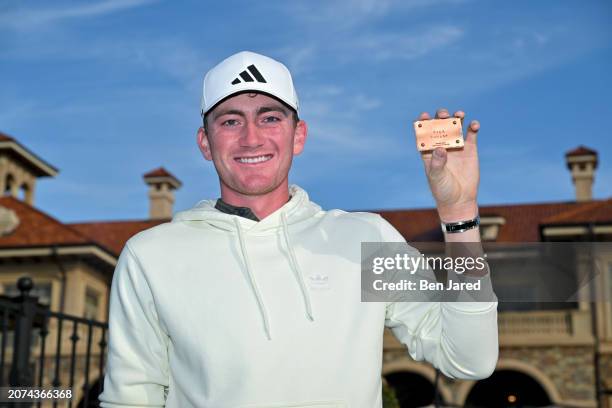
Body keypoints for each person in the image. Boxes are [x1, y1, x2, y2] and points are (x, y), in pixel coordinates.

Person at [99, 51, 498, 408]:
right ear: (205, 142)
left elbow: (468, 359)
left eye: (270, 118)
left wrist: (459, 214)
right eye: (230, 120)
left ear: (299, 135)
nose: (251, 137)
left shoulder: (366, 237)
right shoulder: (151, 255)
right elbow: (131, 398)